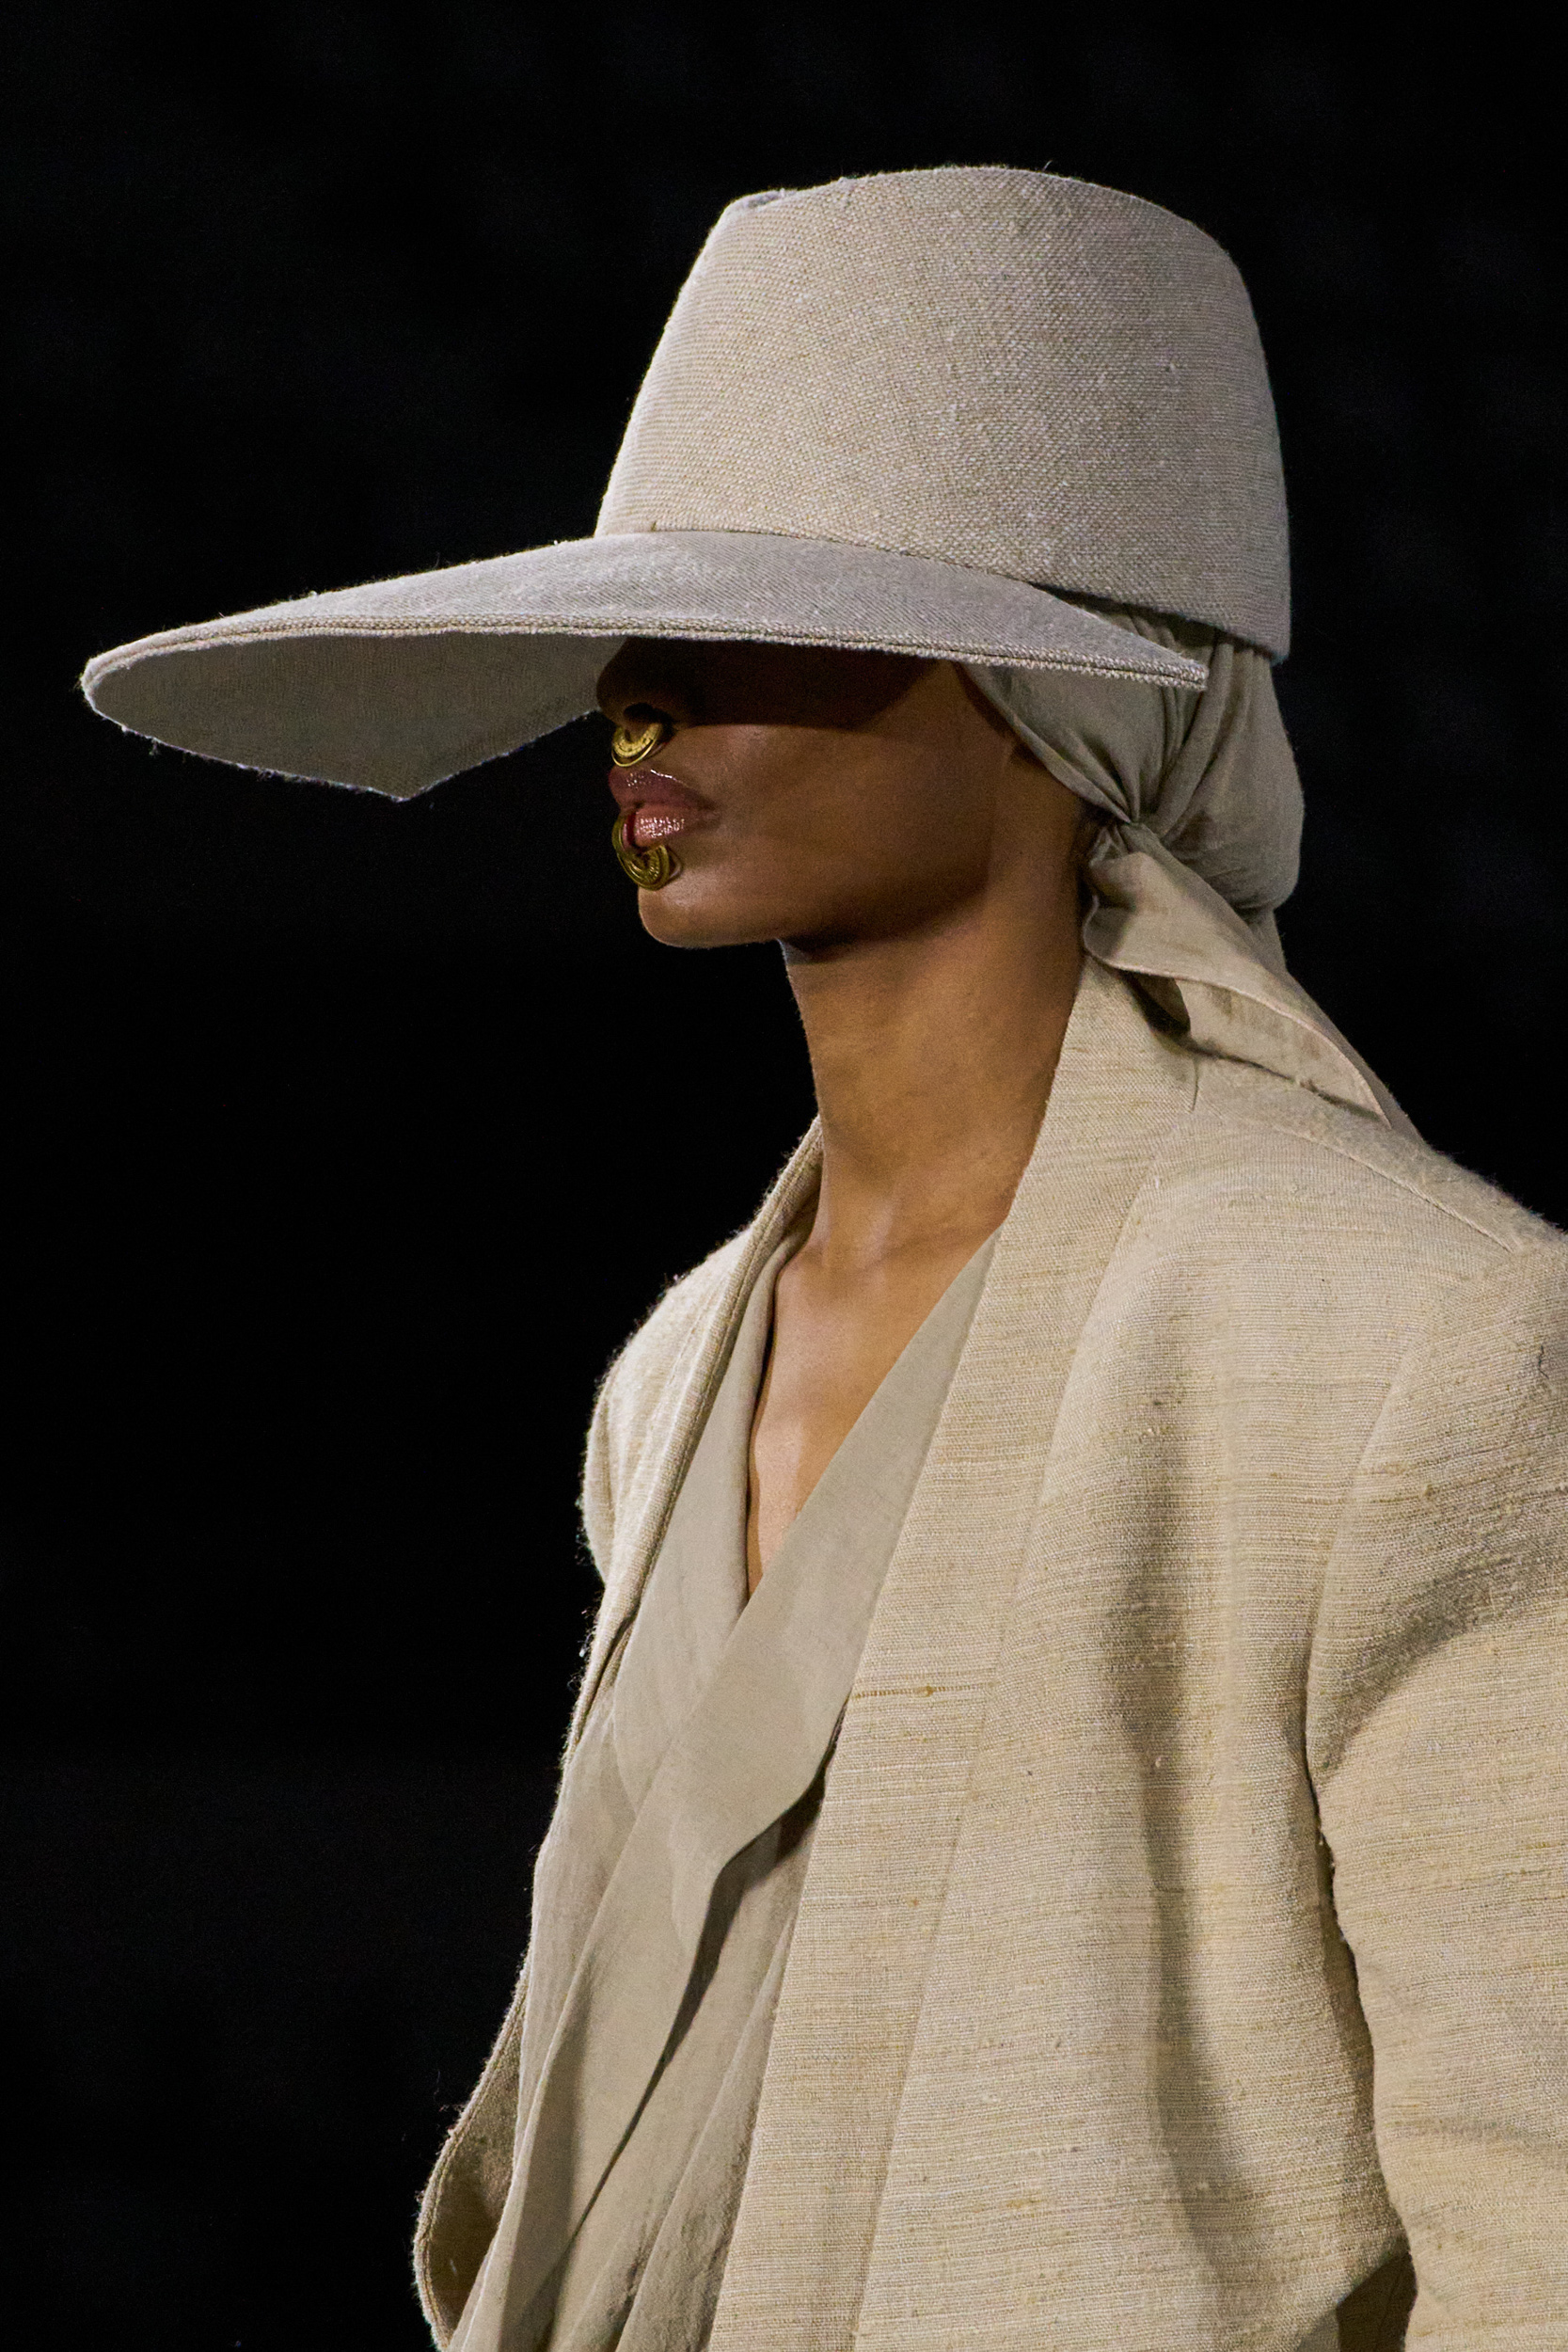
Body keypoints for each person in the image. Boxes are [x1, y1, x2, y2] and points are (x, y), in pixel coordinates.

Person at [82, 167, 1565, 2352]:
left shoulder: (1406, 1334)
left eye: (767, 616)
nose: (640, 694)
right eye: (635, 626)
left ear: (1054, 702)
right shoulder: (681, 1362)